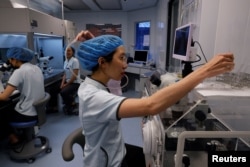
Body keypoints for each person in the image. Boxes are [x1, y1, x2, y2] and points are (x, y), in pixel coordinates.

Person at [74, 30, 234, 167]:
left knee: (148, 159)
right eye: (121, 58)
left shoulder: (98, 83)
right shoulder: (93, 97)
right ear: (102, 63)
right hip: (108, 162)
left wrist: (94, 45)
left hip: (116, 148)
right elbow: (151, 106)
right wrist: (206, 70)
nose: (125, 64)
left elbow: (111, 79)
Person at [0, 47, 45, 148]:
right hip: (38, 111)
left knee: (2, 115)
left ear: (15, 59)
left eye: (10, 60)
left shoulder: (19, 72)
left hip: (27, 114)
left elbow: (3, 97)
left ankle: (14, 138)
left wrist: (4, 94)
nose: (10, 63)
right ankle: (21, 134)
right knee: (9, 107)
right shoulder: (36, 68)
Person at [60, 46, 81, 114]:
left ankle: (73, 105)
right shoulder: (65, 61)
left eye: (69, 51)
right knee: (56, 88)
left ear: (72, 52)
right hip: (68, 81)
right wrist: (62, 84)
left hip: (75, 83)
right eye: (66, 51)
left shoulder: (75, 61)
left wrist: (66, 84)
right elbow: (65, 74)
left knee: (64, 92)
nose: (67, 52)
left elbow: (74, 76)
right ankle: (65, 105)